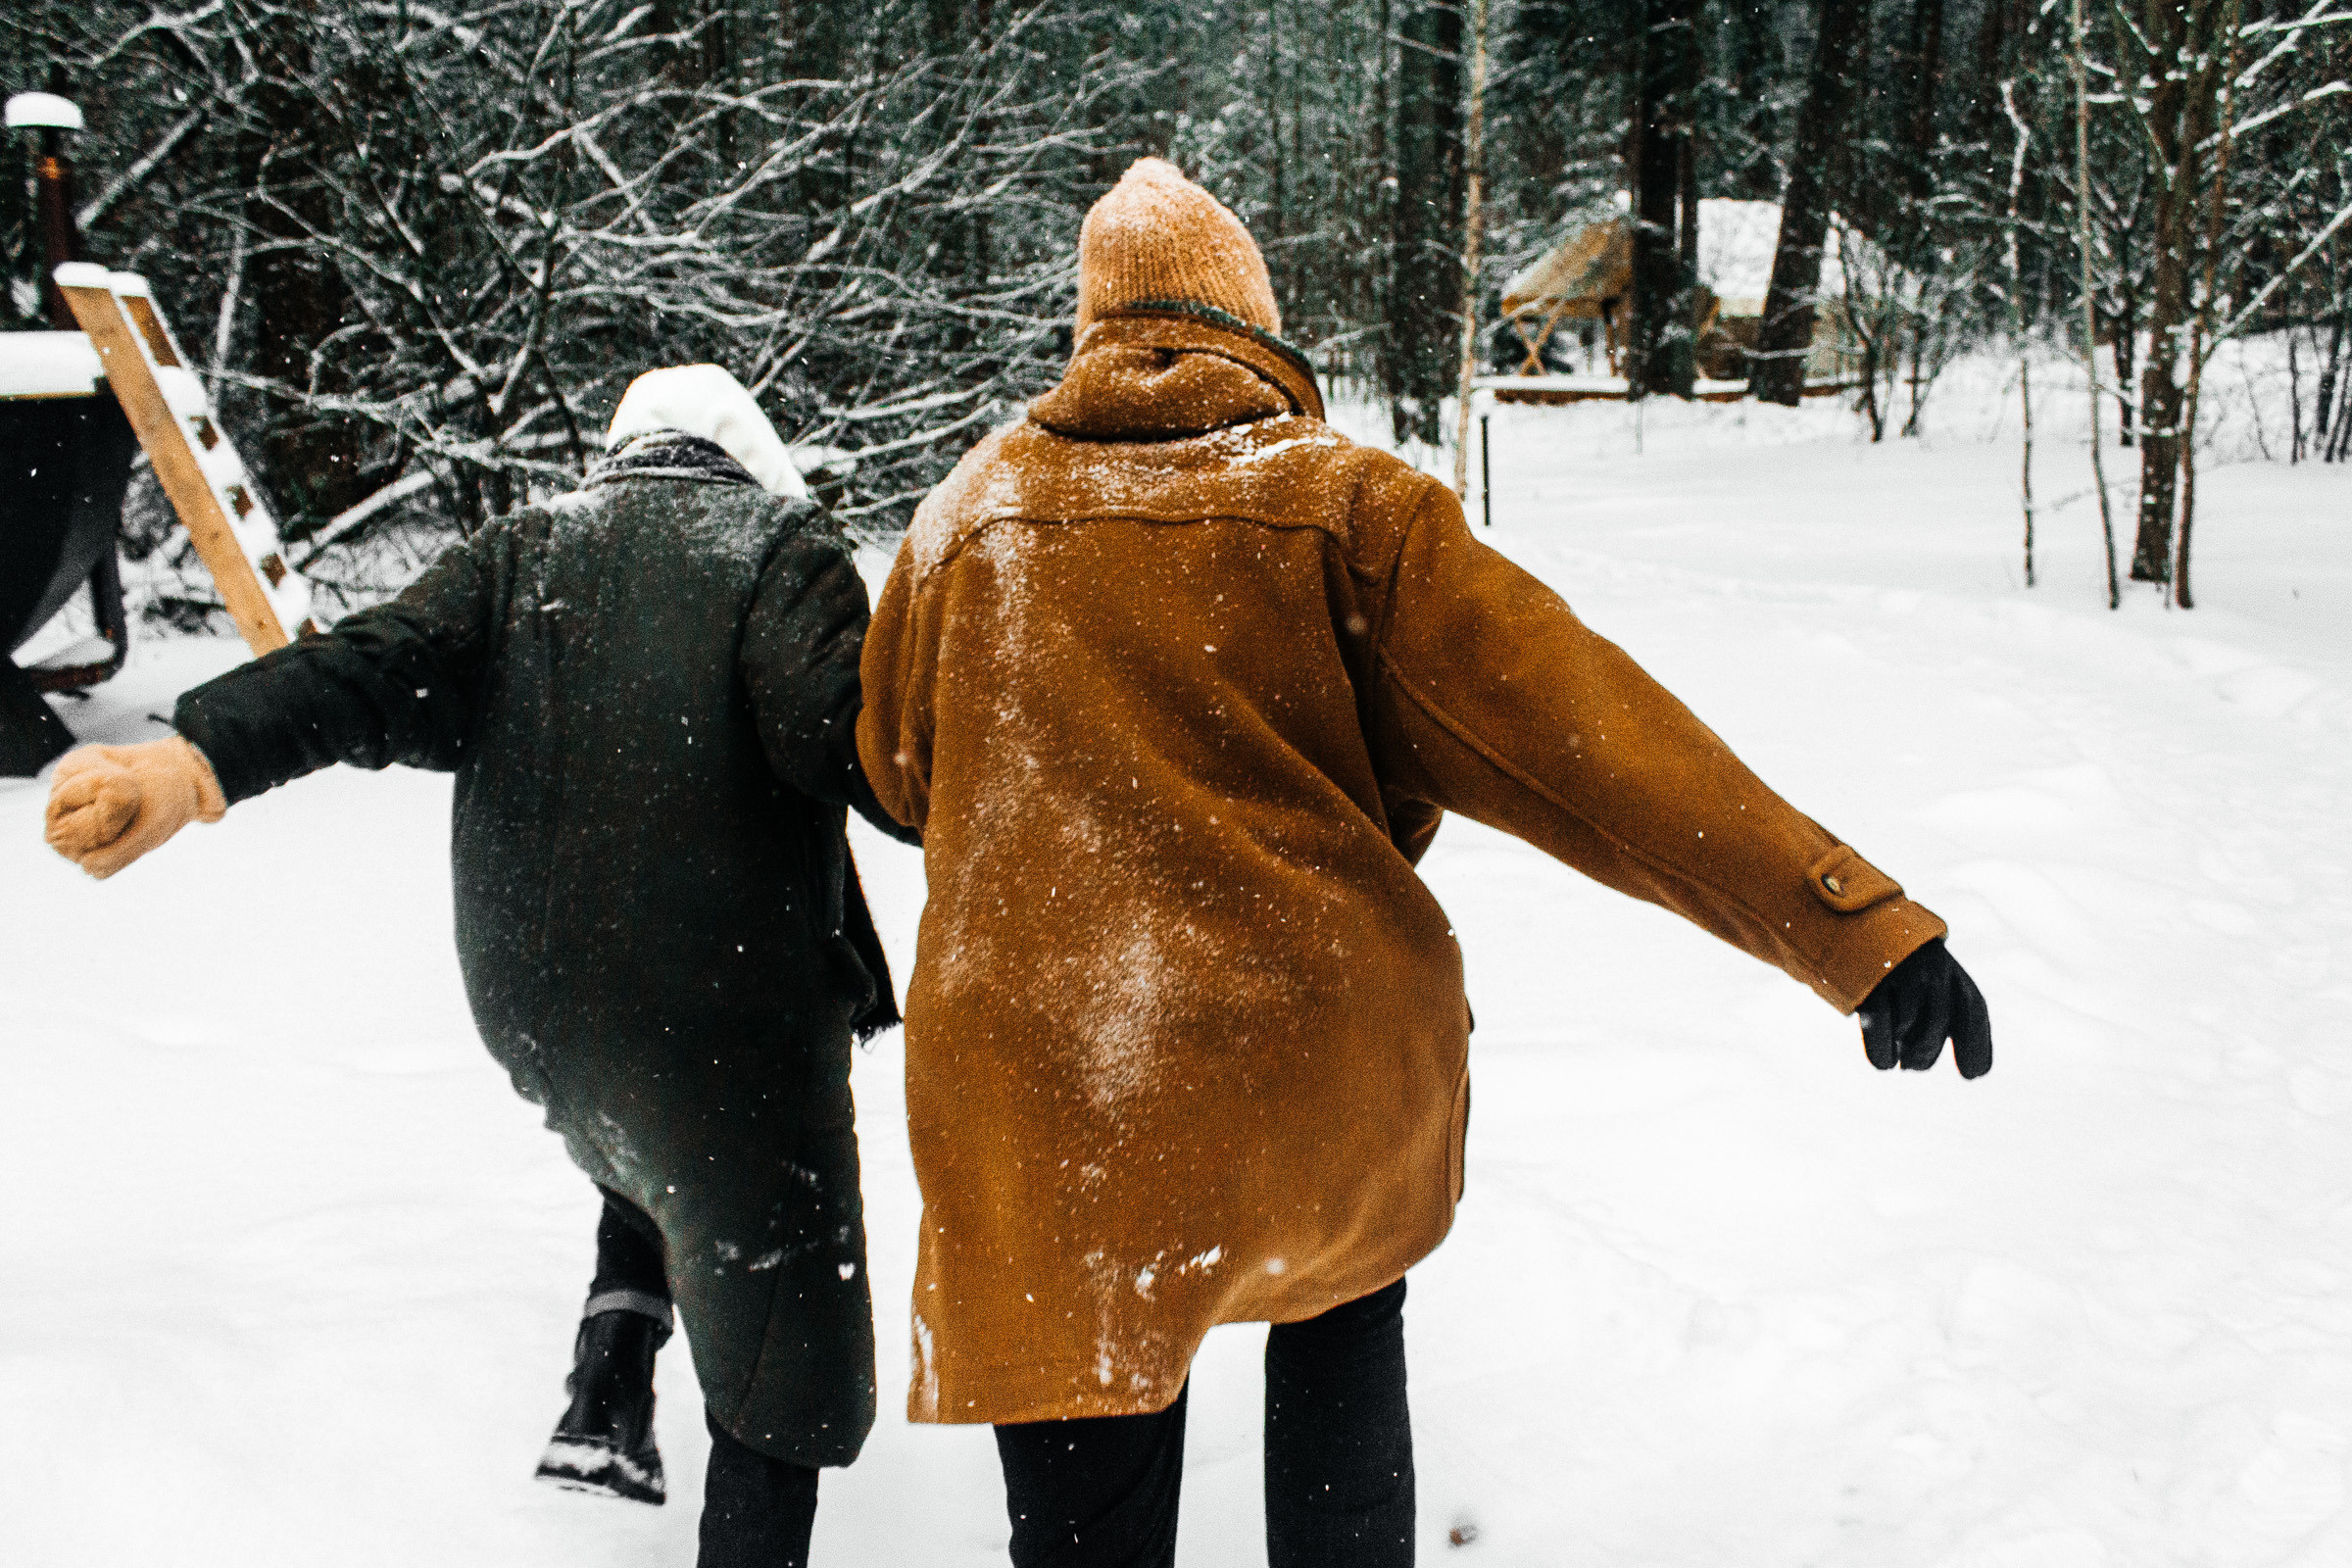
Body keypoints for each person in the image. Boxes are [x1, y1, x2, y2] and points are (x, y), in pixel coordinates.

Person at [854, 158, 1994, 1568]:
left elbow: (897, 776)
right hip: (1316, 1078)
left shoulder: (964, 524)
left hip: (1052, 1103)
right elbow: (1595, 751)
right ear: (1253, 328)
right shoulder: (1346, 508)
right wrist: (1848, 924)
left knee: (1089, 1498)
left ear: (1089, 329)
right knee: (1338, 1347)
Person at [44, 364, 913, 1568]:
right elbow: (851, 746)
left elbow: (363, 665)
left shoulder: (523, 553)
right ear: (750, 462)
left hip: (539, 1010)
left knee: (646, 1145)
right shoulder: (776, 551)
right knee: (784, 1324)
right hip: (718, 1021)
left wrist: (190, 766)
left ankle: (606, 1386)